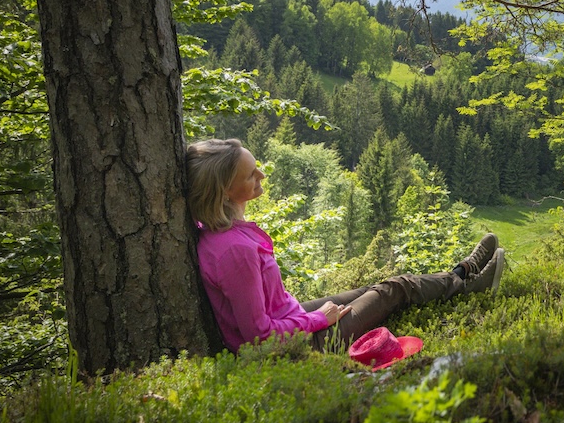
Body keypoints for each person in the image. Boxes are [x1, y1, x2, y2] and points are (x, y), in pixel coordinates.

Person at [185, 137, 504, 354]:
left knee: (373, 288)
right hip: (299, 346)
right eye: (250, 175)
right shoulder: (233, 250)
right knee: (394, 289)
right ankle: (467, 285)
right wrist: (319, 319)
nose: (262, 175)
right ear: (224, 191)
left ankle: (461, 273)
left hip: (289, 317)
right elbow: (258, 336)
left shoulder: (219, 232)